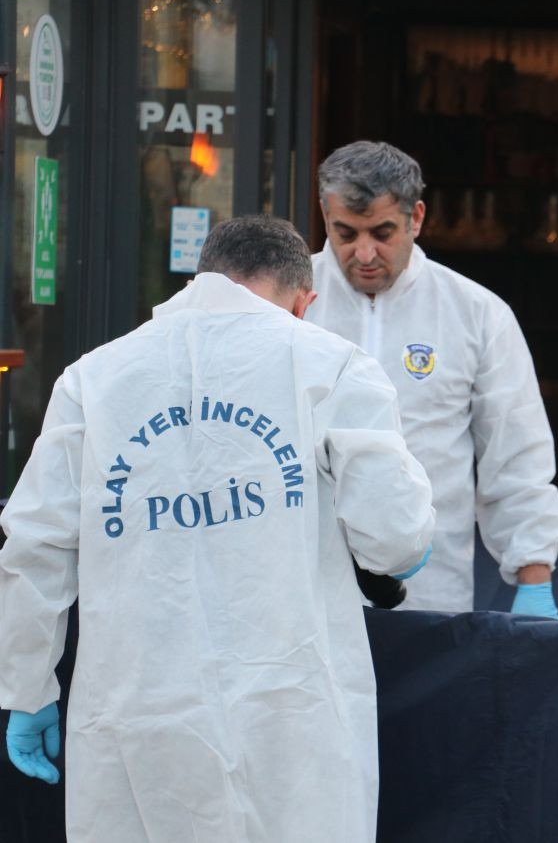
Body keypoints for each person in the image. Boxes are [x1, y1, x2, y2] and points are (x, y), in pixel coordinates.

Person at [0, 215, 436, 842]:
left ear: (199, 279)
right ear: (305, 302)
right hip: (292, 713)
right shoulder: (333, 365)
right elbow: (393, 538)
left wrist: (27, 686)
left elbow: (35, 545)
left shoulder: (93, 378)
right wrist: (405, 549)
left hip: (139, 715)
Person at [307, 141, 558, 616]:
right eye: (346, 233)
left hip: (431, 589)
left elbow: (515, 455)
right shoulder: (288, 304)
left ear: (416, 218)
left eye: (382, 232)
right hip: (307, 587)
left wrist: (534, 579)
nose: (364, 253)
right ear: (325, 216)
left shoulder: (476, 313)